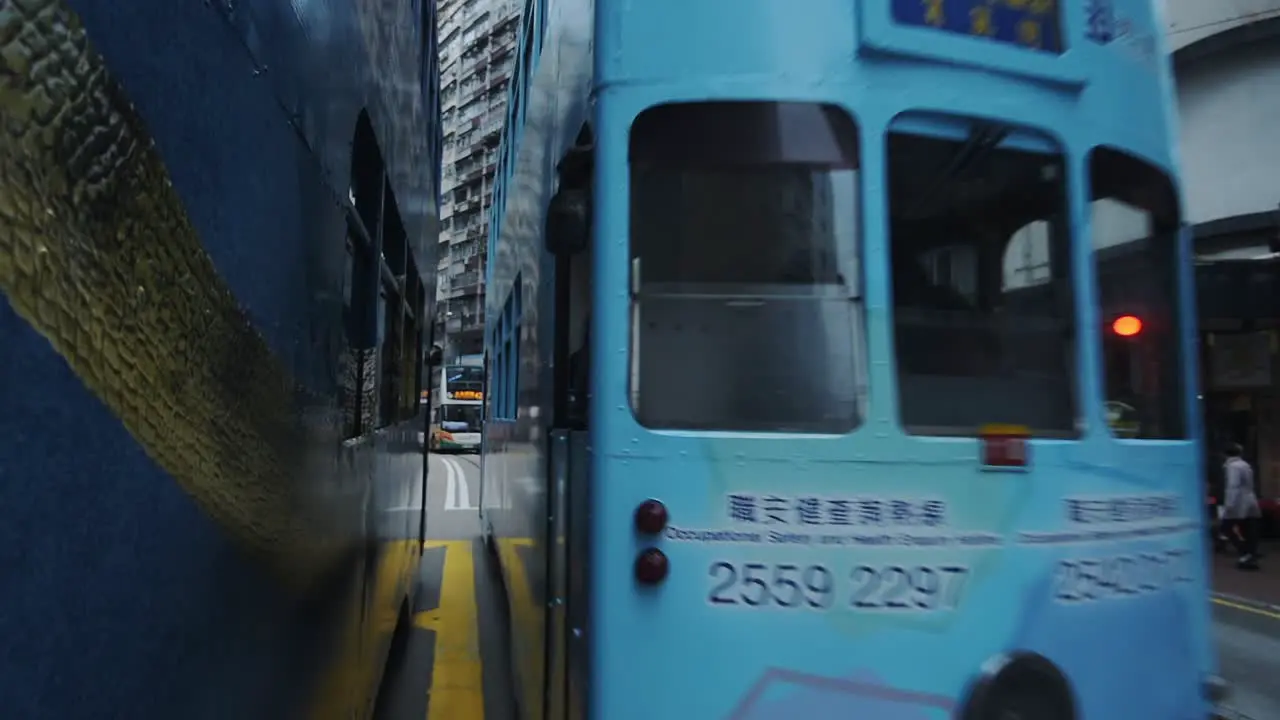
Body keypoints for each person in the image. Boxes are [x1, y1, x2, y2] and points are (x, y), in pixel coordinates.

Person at [1221, 443, 1262, 570]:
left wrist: (1230, 504)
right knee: (1249, 529)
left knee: (1226, 527)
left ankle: (1245, 552)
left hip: (1238, 503)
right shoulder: (1245, 465)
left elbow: (1233, 486)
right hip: (1250, 501)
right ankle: (1250, 554)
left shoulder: (1232, 467)